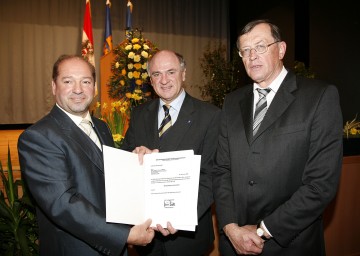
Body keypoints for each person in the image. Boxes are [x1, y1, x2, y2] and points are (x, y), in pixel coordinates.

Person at [212, 19, 343, 255]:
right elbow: (221, 169)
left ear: (281, 49)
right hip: (234, 242)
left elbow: (320, 184)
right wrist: (231, 228)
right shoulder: (232, 102)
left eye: (260, 46)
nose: (252, 56)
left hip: (290, 242)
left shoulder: (319, 97)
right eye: (245, 51)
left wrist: (263, 230)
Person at [18, 54, 155, 256]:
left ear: (94, 87)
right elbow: (63, 203)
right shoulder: (38, 137)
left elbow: (104, 174)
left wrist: (135, 158)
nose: (78, 89)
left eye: (85, 81)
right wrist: (123, 236)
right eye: (68, 81)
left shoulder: (101, 127)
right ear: (54, 86)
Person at [121, 50, 221, 256]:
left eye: (171, 72)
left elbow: (212, 176)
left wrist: (180, 215)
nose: (164, 80)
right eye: (157, 74)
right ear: (150, 80)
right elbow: (126, 167)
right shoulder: (139, 115)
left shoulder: (210, 116)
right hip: (147, 237)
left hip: (187, 239)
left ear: (183, 74)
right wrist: (135, 157)